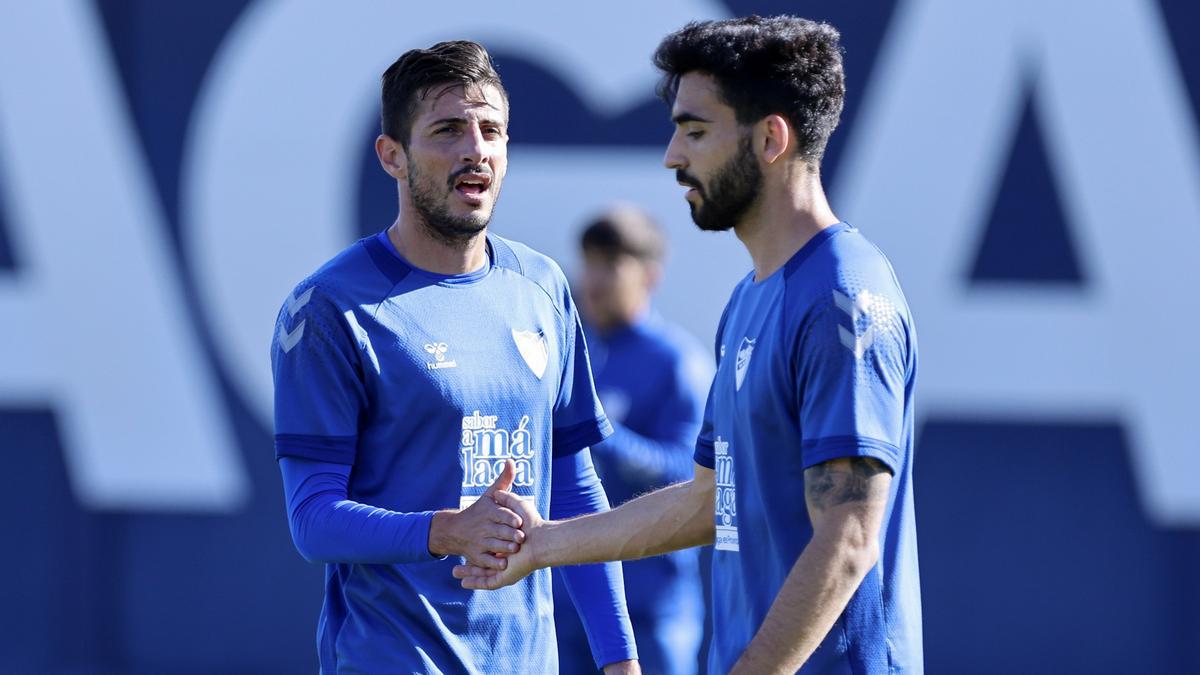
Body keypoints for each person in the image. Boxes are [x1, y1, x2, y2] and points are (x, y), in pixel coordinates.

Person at [454, 16, 922, 674]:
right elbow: (707, 498)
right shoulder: (750, 300)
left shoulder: (842, 297)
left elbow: (848, 536)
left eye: (695, 131)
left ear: (770, 138)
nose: (673, 156)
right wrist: (546, 542)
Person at [270, 40, 639, 674]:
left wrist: (619, 658)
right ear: (393, 156)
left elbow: (575, 489)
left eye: (491, 130)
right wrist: (446, 530)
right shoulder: (331, 308)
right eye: (447, 130)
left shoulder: (544, 286)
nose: (476, 149)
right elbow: (313, 520)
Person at [552, 207, 711, 675]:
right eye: (588, 263)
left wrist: (595, 430)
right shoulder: (574, 351)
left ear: (650, 275)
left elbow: (691, 477)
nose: (593, 279)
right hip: (572, 601)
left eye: (610, 265)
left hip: (652, 608)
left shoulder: (678, 363)